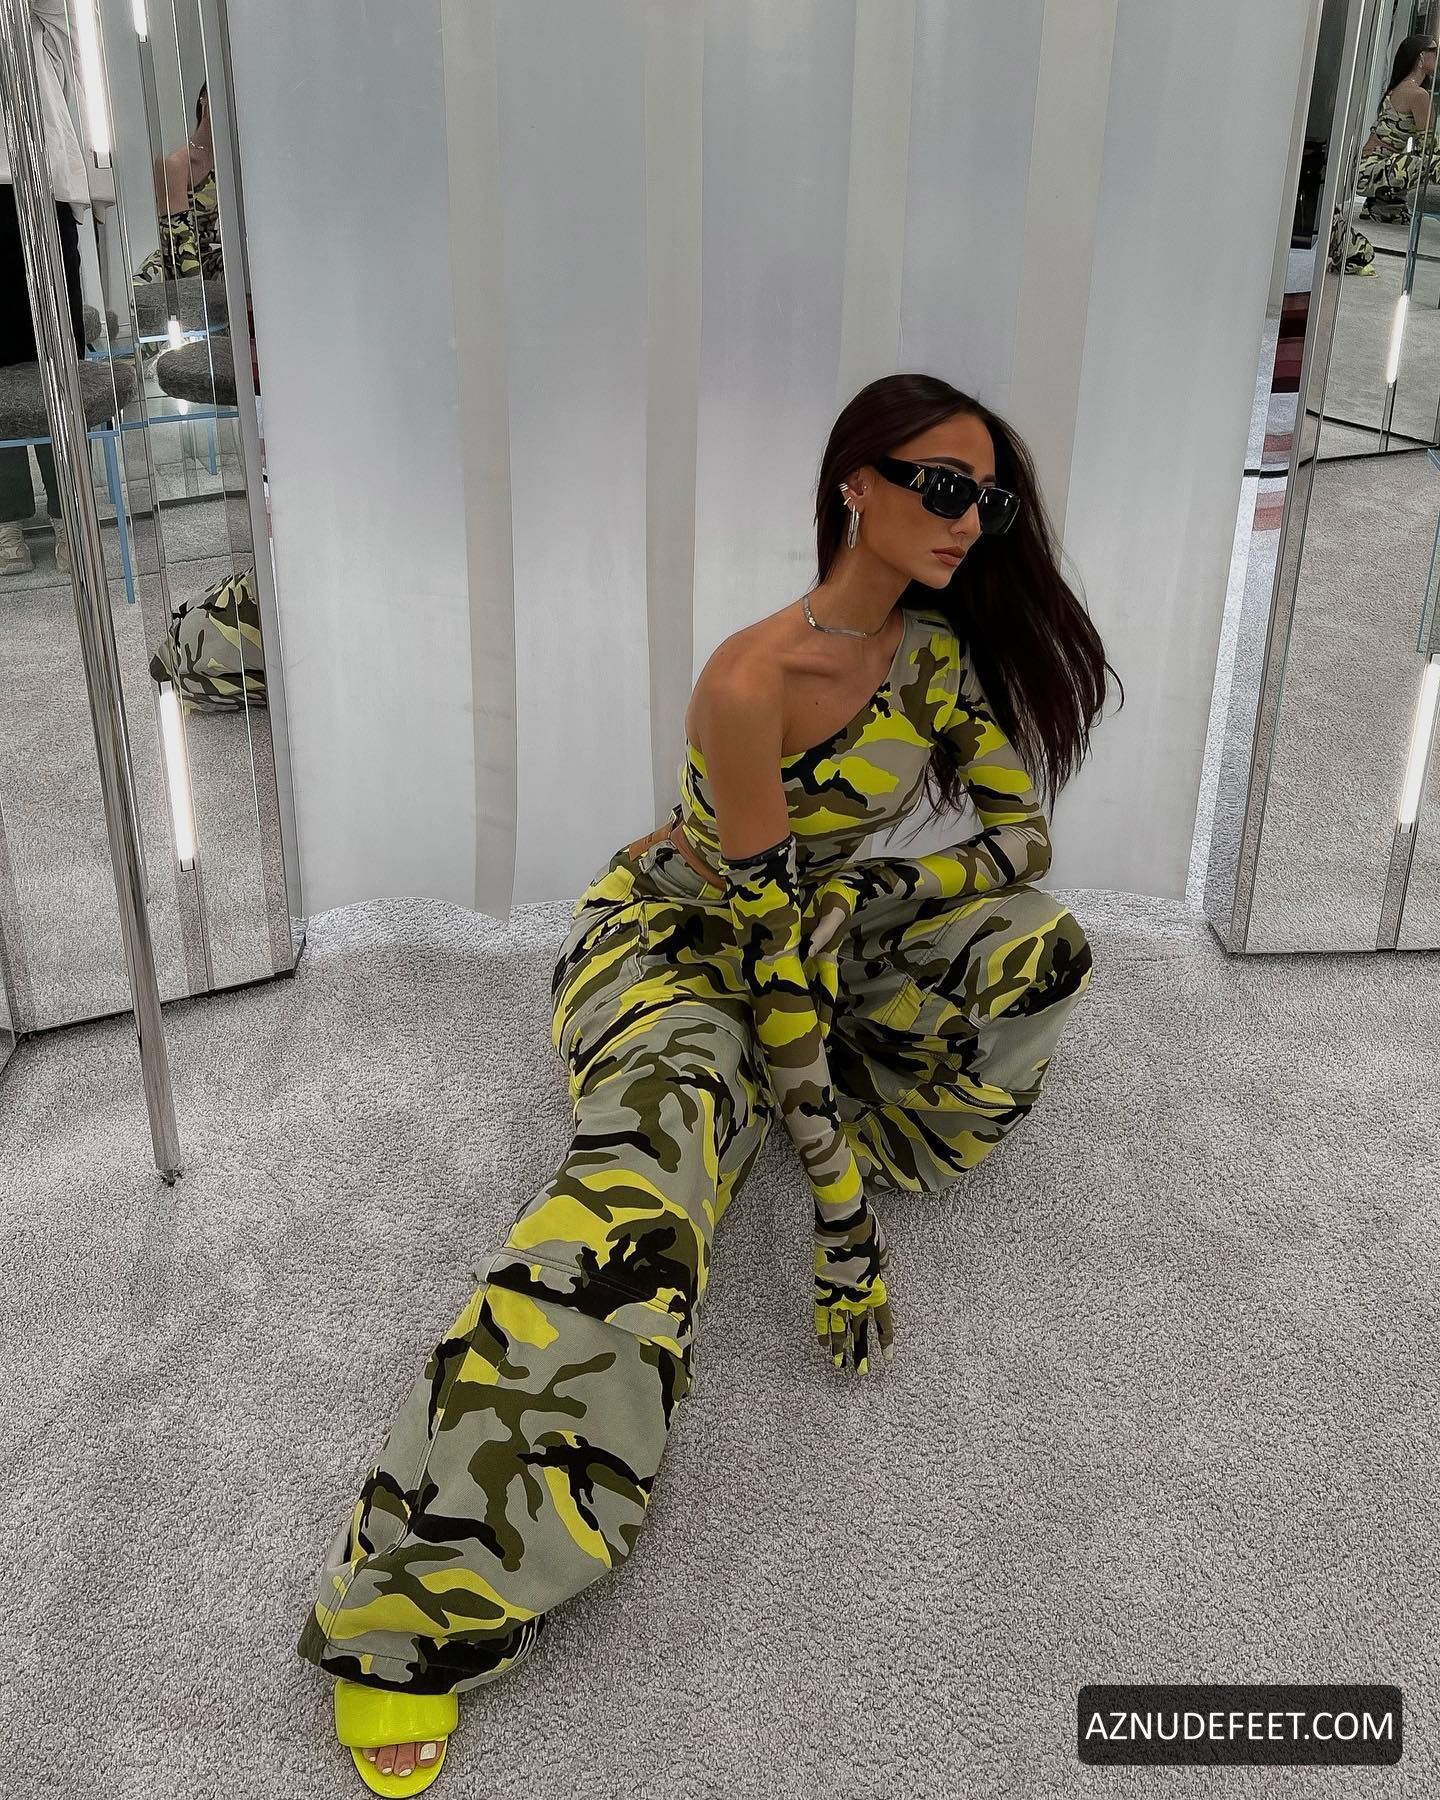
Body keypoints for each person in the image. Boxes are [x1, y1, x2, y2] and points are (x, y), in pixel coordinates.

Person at [295, 370, 1120, 1795]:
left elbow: (1021, 846)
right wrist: (839, 1220)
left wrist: (874, 896)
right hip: (679, 942)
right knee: (641, 1196)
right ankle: (419, 1601)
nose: (966, 520)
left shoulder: (934, 656)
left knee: (1041, 948)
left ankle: (857, 1127)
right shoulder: (752, 680)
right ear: (855, 483)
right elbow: (769, 976)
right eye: (942, 486)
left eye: (986, 501)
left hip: (818, 925)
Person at [0, 0, 91, 577]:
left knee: (57, 362)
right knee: (1, 372)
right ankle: (7, 518)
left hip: (42, 191)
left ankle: (68, 513)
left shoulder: (36, 20)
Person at [1329, 33, 1439, 277]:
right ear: (1421, 57)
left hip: (1364, 170)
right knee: (1429, 163)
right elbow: (1430, 149)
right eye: (1435, 51)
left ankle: (1384, 207)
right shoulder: (1419, 95)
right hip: (1370, 172)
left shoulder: (1399, 88)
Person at [134, 80, 223, 286]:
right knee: (145, 293)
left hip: (215, 259)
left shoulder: (232, 164)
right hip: (176, 262)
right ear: (204, 100)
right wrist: (195, 297)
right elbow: (178, 239)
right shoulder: (175, 163)